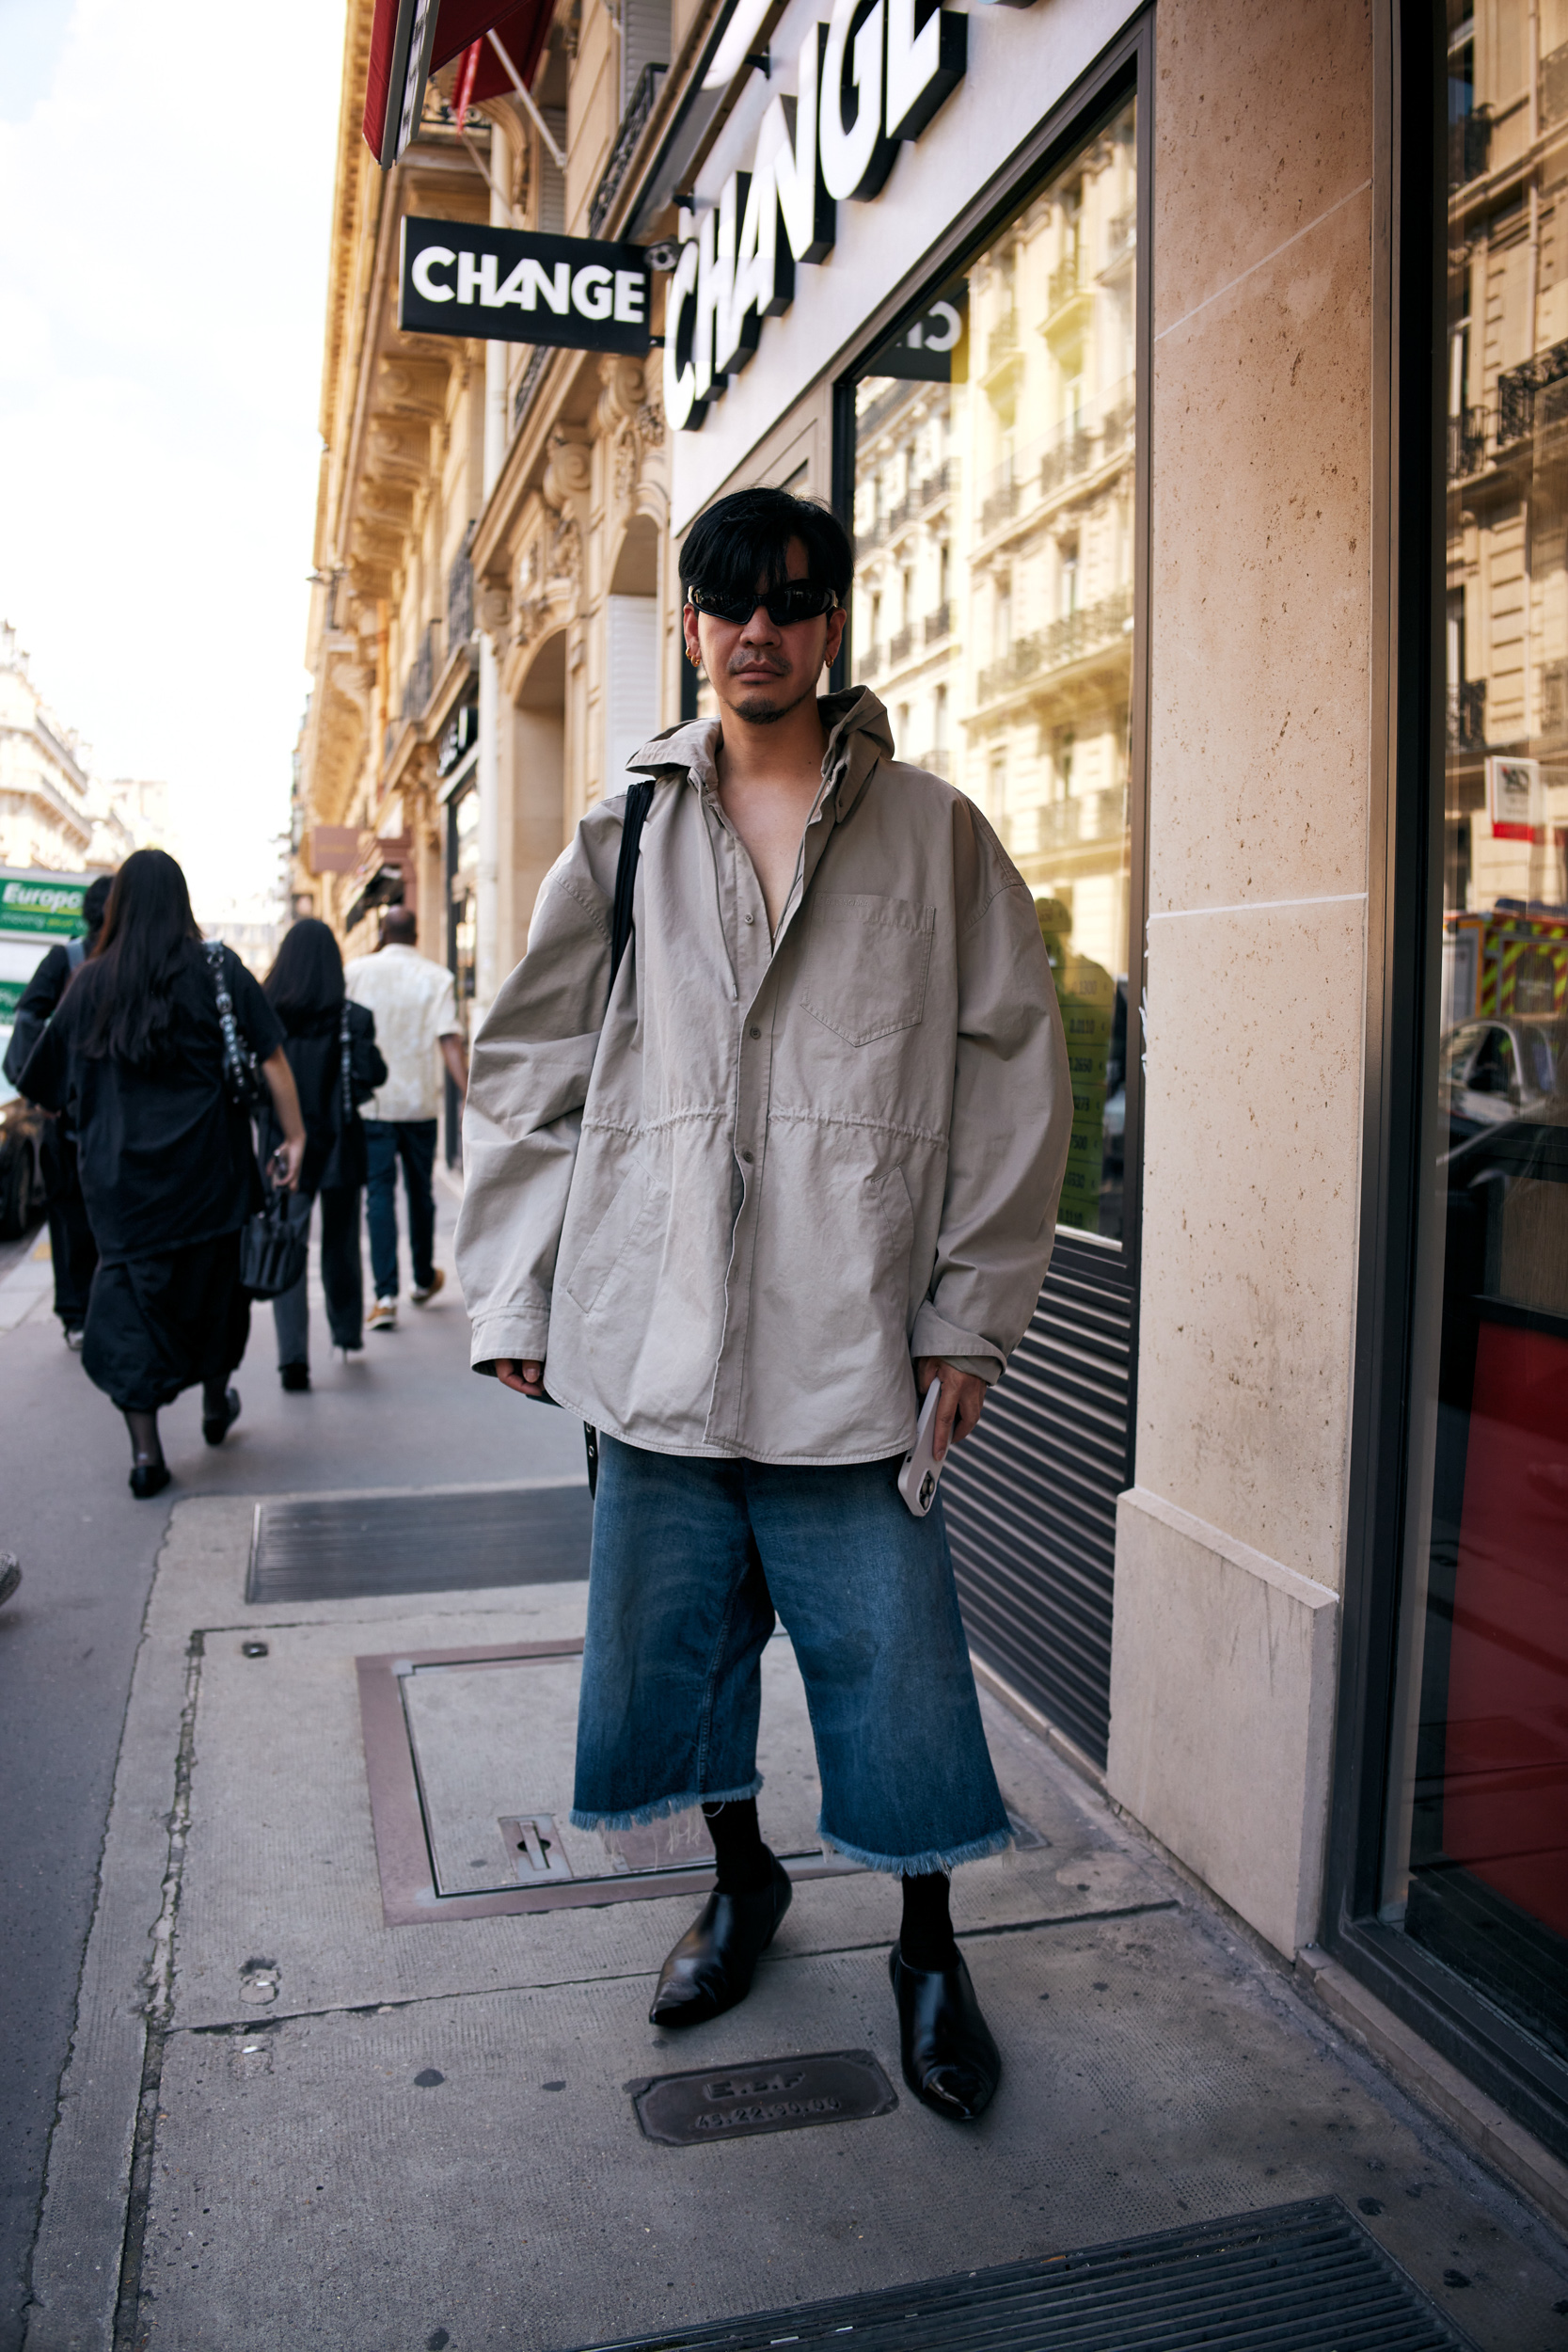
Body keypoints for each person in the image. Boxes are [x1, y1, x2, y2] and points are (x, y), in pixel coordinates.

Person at [456, 486, 1070, 2122]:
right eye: (730, 604)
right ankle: (742, 1886)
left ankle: (926, 1946)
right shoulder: (628, 833)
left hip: (849, 1342)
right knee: (676, 1657)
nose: (758, 631)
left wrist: (966, 1314)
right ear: (693, 623)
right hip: (655, 1337)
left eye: (792, 603)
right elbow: (528, 1074)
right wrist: (512, 1285)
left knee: (897, 1669)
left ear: (832, 624)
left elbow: (1013, 1071)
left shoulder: (933, 831)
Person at [20, 850, 306, 1498]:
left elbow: (44, 1084)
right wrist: (294, 1135)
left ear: (117, 906)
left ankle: (146, 1454)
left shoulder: (90, 982)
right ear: (182, 903)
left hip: (121, 1191)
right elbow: (273, 1060)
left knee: (127, 1312)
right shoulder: (217, 969)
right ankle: (212, 1403)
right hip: (209, 1175)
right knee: (213, 1295)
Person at [260, 917, 388, 1391]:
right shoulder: (353, 1017)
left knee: (286, 1244)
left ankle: (293, 1360)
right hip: (338, 1145)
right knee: (340, 1242)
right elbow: (375, 1074)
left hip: (282, 1147)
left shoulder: (266, 1015)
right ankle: (347, 1334)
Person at [344, 906, 467, 1332]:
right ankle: (421, 1277)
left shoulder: (356, 971)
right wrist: (471, 1097)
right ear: (416, 934)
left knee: (379, 1195)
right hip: (418, 1104)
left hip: (372, 1103)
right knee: (421, 1192)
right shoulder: (437, 977)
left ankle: (384, 1296)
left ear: (382, 932)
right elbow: (449, 1042)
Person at [3, 873, 112, 1345]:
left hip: (108, 1115)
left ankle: (95, 1310)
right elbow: (28, 1014)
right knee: (70, 1218)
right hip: (67, 1118)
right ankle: (75, 1313)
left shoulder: (126, 959)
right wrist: (43, 1091)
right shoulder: (68, 958)